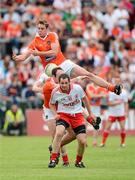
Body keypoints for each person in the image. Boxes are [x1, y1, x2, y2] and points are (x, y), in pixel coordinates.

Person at [13, 17, 122, 95]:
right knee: (64, 86)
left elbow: (54, 52)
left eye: (42, 28)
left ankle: (112, 88)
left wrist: (38, 53)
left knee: (88, 74)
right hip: (51, 69)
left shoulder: (52, 35)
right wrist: (19, 58)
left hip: (63, 62)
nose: (40, 30)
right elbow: (25, 55)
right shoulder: (35, 41)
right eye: (38, 28)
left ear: (46, 29)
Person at [48, 73, 95, 168]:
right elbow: (51, 104)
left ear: (69, 82)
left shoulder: (77, 88)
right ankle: (53, 159)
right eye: (62, 83)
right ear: (59, 83)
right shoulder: (55, 91)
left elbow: (85, 99)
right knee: (59, 132)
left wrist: (90, 113)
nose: (64, 85)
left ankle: (78, 162)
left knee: (82, 141)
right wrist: (55, 114)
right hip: (63, 115)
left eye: (66, 83)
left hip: (77, 116)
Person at [100, 75, 128, 147]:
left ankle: (122, 143)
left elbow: (126, 103)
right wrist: (117, 102)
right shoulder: (111, 92)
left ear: (120, 81)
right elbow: (108, 103)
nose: (117, 82)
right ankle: (103, 143)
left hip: (121, 113)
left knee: (122, 128)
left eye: (118, 81)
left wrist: (126, 112)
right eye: (115, 81)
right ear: (114, 82)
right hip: (112, 113)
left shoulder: (124, 92)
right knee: (107, 128)